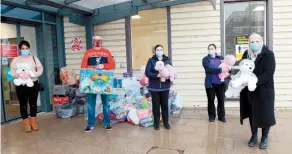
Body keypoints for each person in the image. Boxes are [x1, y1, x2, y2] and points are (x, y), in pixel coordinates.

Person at [240, 33, 276, 149]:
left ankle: (265, 137)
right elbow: (242, 69)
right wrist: (240, 79)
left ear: (261, 41)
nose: (254, 44)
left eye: (257, 41)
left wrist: (253, 81)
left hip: (264, 89)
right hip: (250, 91)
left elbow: (269, 73)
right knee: (252, 113)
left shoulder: (268, 54)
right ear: (249, 43)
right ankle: (254, 135)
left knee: (265, 113)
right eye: (251, 42)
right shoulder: (247, 54)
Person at [81, 36, 115, 132]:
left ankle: (107, 123)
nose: (97, 42)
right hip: (91, 81)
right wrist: (84, 76)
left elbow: (112, 65)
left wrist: (103, 65)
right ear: (92, 41)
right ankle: (90, 124)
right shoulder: (88, 52)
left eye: (99, 40)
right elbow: (83, 66)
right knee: (91, 104)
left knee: (106, 104)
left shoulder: (106, 52)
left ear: (102, 41)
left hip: (105, 81)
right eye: (95, 40)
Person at [10, 40, 43, 132]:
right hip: (21, 85)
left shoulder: (34, 58)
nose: (25, 50)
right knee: (23, 104)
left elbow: (40, 69)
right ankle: (26, 123)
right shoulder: (15, 60)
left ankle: (34, 122)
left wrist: (34, 75)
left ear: (29, 48)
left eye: (26, 48)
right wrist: (18, 75)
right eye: (23, 48)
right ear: (20, 49)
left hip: (33, 83)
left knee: (33, 103)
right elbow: (12, 71)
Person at [145, 44, 172, 130]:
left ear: (163, 51)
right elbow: (147, 73)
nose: (159, 51)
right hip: (154, 87)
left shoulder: (167, 60)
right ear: (155, 51)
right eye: (158, 50)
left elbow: (171, 71)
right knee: (156, 106)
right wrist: (158, 75)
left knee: (165, 105)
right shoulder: (151, 60)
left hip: (165, 86)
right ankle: (156, 123)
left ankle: (166, 122)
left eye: (161, 49)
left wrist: (168, 75)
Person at [202, 44, 228, 123]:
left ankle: (221, 116)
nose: (211, 50)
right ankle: (212, 116)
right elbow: (208, 69)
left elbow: (227, 68)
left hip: (220, 83)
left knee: (221, 100)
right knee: (211, 100)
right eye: (209, 48)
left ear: (215, 49)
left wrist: (225, 72)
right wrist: (220, 70)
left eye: (212, 48)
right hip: (210, 84)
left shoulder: (221, 58)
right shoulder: (205, 59)